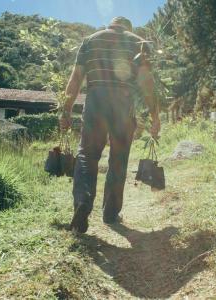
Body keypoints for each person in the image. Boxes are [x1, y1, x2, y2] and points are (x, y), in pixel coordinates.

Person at [60, 16, 161, 233]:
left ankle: (82, 203)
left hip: (96, 99)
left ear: (111, 25)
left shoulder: (89, 40)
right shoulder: (138, 42)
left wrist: (66, 110)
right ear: (128, 27)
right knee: (119, 158)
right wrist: (155, 116)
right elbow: (147, 83)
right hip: (123, 103)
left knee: (87, 154)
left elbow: (76, 79)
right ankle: (110, 213)